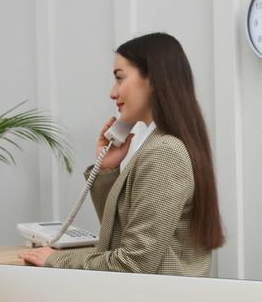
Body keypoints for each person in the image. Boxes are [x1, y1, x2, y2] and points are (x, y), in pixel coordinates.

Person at [20, 32, 223, 275]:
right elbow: (121, 238)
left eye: (120, 78)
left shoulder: (164, 152)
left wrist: (57, 260)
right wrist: (106, 169)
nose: (112, 93)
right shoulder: (158, 145)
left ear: (154, 80)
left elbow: (133, 263)